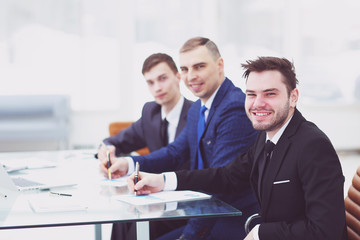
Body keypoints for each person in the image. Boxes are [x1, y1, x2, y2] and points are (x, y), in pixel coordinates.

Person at [128, 56, 348, 240]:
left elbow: (325, 231)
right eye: (251, 94)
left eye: (270, 94)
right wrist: (164, 181)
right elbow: (227, 175)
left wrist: (261, 232)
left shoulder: (313, 146)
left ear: (293, 97)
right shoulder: (267, 137)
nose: (258, 103)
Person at [100, 37, 258, 239]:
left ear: (220, 65)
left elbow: (221, 183)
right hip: (206, 211)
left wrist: (188, 236)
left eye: (199, 66)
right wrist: (129, 163)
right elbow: (175, 152)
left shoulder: (234, 107)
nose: (191, 76)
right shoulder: (199, 109)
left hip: (232, 218)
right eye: (185, 69)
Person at [97, 53, 193, 240]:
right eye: (150, 82)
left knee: (141, 220)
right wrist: (106, 148)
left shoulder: (195, 113)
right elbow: (118, 140)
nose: (157, 87)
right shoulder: (151, 112)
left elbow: (173, 156)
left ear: (178, 76)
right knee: (123, 217)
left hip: (183, 202)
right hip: (153, 198)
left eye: (162, 79)